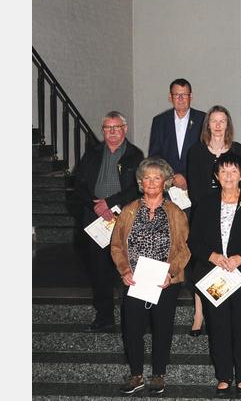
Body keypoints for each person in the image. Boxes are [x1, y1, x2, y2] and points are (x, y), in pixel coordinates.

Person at [189, 153, 241, 396]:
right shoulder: (205, 202)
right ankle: (223, 375)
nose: (228, 176)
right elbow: (194, 240)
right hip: (213, 272)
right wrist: (212, 256)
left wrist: (239, 258)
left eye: (233, 171)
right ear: (216, 175)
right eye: (223, 171)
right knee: (218, 324)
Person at [110, 158, 190, 395]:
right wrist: (124, 270)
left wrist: (171, 272)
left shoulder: (175, 212)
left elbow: (184, 248)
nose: (152, 182)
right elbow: (116, 246)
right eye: (147, 177)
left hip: (165, 281)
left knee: (162, 327)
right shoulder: (128, 210)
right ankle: (136, 374)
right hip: (134, 280)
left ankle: (158, 374)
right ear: (140, 182)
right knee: (132, 328)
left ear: (165, 182)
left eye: (157, 178)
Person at [186, 105, 241, 336]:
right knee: (203, 263)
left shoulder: (237, 149)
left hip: (233, 214)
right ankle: (198, 314)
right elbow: (194, 189)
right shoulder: (196, 151)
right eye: (213, 121)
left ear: (228, 125)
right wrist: (210, 210)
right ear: (207, 125)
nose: (217, 125)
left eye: (222, 121)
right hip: (205, 215)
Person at [73, 111, 144, 332]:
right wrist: (96, 205)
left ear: (125, 129)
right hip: (96, 221)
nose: (111, 132)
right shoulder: (92, 154)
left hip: (123, 219)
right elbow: (79, 185)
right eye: (107, 128)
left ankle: (131, 317)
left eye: (116, 127)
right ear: (102, 131)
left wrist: (111, 203)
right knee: (99, 270)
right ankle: (104, 316)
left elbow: (138, 188)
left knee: (127, 268)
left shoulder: (135, 155)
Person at [148, 78, 206, 190]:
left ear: (191, 97)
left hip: (196, 184)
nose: (180, 99)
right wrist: (172, 177)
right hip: (167, 185)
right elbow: (154, 156)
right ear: (170, 97)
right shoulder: (159, 121)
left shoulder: (203, 119)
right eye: (176, 95)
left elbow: (205, 154)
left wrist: (186, 178)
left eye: (184, 95)